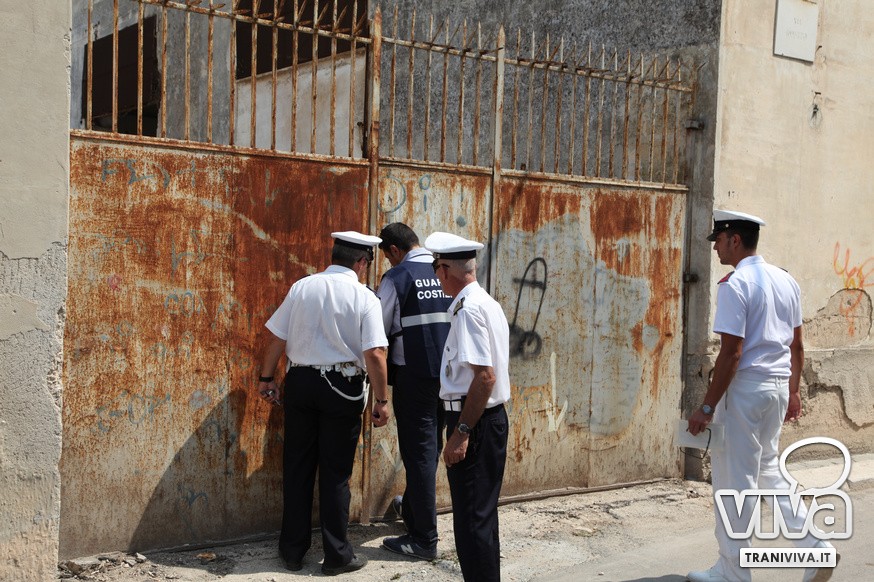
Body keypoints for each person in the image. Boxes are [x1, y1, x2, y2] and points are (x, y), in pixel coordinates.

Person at [686, 210, 837, 582]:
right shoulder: (786, 280)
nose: (716, 248)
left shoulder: (735, 285)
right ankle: (816, 546)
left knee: (733, 482)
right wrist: (793, 390)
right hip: (777, 388)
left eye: (719, 241)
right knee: (769, 470)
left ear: (735, 240)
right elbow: (797, 345)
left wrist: (706, 406)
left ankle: (733, 571)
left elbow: (732, 353)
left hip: (745, 392)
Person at [256, 231, 390, 576]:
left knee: (297, 467)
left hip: (300, 383)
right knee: (335, 473)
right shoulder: (365, 297)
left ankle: (292, 551)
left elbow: (277, 337)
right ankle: (336, 556)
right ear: (361, 262)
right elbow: (375, 353)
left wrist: (266, 378)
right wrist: (382, 399)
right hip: (342, 388)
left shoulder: (303, 287)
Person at [425, 231, 511, 582]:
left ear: (445, 269)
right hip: (485, 419)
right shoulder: (485, 302)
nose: (436, 277)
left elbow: (485, 377)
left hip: (473, 420)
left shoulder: (468, 309)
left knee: (472, 522)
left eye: (436, 269)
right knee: (481, 518)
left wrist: (461, 433)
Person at [377, 223, 453, 560]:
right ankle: (411, 508)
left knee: (419, 452)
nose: (389, 263)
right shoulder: (444, 270)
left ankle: (424, 538)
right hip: (448, 376)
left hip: (414, 376)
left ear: (394, 250)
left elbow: (376, 329)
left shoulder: (397, 278)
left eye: (388, 257)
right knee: (430, 447)